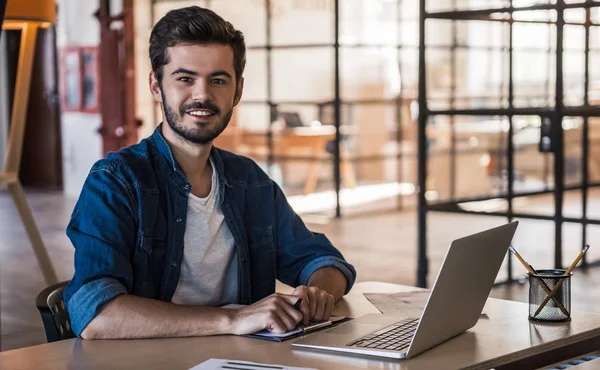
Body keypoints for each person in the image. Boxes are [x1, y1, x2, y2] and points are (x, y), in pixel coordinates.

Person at [63, 6, 356, 340]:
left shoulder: (249, 180)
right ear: (156, 86)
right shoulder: (115, 180)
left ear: (238, 91)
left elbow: (323, 260)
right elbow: (96, 316)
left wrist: (317, 293)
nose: (202, 95)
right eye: (185, 79)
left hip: (245, 359)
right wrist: (232, 320)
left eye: (218, 80)